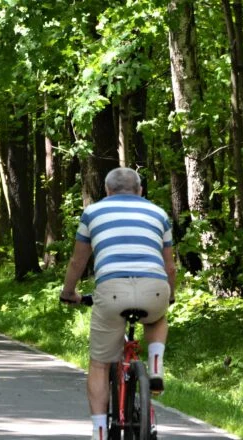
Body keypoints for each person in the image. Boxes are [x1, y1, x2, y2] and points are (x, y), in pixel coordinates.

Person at [59, 167, 176, 440]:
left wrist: (68, 293)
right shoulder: (159, 213)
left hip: (111, 290)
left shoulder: (92, 213)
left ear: (107, 190)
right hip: (154, 288)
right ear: (140, 191)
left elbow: (78, 261)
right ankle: (155, 365)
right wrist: (169, 296)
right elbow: (170, 267)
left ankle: (100, 432)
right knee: (157, 318)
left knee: (100, 364)